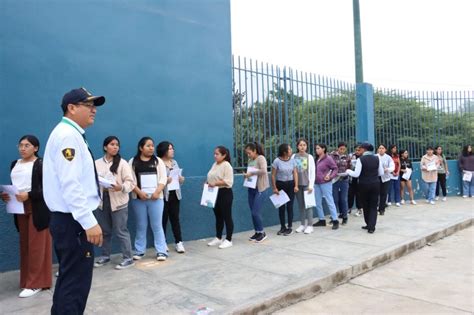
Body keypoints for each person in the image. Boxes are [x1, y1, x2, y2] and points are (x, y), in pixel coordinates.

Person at [43, 87, 105, 314]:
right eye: (88, 105)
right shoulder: (67, 136)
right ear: (71, 108)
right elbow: (71, 185)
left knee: (69, 280)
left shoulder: (71, 134)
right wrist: (88, 221)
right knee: (75, 285)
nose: (94, 110)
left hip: (70, 220)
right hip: (74, 222)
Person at [1, 135, 52, 298]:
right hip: (18, 207)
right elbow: (16, 187)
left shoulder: (42, 164)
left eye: (27, 145)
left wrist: (29, 195)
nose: (23, 148)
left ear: (36, 148)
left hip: (38, 208)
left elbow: (49, 189)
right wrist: (6, 195)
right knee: (25, 245)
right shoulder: (14, 164)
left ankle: (36, 283)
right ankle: (27, 281)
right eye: (20, 145)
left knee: (38, 245)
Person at [93, 136, 135, 269]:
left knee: (121, 230)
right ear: (105, 147)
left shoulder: (123, 163)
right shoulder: (96, 163)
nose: (115, 147)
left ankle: (128, 258)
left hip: (118, 201)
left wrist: (121, 187)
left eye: (117, 145)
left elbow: (131, 183)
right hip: (102, 201)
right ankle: (105, 256)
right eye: (112, 144)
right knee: (105, 231)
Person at [129, 137, 168, 261]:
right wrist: (139, 192)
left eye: (152, 146)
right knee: (141, 225)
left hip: (156, 199)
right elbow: (130, 180)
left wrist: (157, 192)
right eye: (148, 146)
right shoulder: (132, 162)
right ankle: (139, 251)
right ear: (141, 148)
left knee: (157, 225)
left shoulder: (158, 161)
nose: (151, 148)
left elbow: (163, 178)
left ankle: (161, 251)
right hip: (138, 199)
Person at [346, 143, 384, 234]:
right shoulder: (377, 158)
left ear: (364, 149)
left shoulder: (361, 159)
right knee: (373, 206)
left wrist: (348, 171)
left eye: (361, 149)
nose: (360, 150)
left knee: (366, 205)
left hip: (363, 185)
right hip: (375, 184)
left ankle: (368, 224)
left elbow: (356, 174)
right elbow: (381, 173)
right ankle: (371, 226)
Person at [157, 141, 186, 253]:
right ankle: (162, 243)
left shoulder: (174, 162)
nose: (172, 150)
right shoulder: (158, 163)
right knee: (162, 220)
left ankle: (179, 242)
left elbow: (178, 177)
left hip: (175, 194)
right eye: (170, 149)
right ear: (163, 150)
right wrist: (165, 181)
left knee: (175, 219)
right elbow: (156, 180)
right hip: (163, 195)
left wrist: (181, 179)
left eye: (172, 148)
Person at [206, 146, 235, 249]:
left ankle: (229, 239)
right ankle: (218, 238)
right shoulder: (215, 164)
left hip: (224, 193)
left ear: (224, 155)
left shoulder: (226, 165)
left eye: (217, 154)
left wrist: (215, 183)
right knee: (218, 216)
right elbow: (211, 177)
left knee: (227, 216)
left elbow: (229, 181)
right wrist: (207, 183)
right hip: (214, 193)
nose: (215, 156)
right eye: (214, 153)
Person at [243, 142, 270, 242]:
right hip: (251, 188)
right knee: (252, 212)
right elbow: (250, 172)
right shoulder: (251, 160)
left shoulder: (261, 158)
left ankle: (262, 233)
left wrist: (251, 173)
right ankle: (257, 232)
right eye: (247, 153)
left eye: (249, 153)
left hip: (260, 188)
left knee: (255, 212)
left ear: (255, 151)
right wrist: (246, 175)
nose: (248, 155)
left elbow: (263, 171)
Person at [271, 143, 298, 236]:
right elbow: (273, 175)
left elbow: (295, 173)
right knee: (281, 207)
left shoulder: (293, 161)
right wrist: (274, 187)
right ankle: (283, 227)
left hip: (290, 184)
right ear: (284, 152)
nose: (291, 151)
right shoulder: (276, 161)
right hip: (280, 185)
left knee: (290, 206)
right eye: (289, 149)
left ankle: (290, 227)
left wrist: (296, 185)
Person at [312, 143, 339, 230]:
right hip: (316, 183)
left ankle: (335, 220)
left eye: (318, 148)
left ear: (323, 149)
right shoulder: (316, 159)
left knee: (329, 201)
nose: (317, 150)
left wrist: (330, 176)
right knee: (317, 202)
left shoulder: (328, 158)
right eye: (316, 148)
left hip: (325, 183)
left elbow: (335, 168)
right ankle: (321, 219)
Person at [293, 139, 315, 234]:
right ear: (297, 146)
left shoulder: (309, 157)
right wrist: (295, 184)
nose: (302, 147)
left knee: (308, 206)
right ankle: (302, 224)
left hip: (307, 185)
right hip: (298, 185)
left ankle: (310, 225)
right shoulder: (294, 156)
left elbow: (313, 172)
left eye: (304, 145)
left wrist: (311, 185)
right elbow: (293, 171)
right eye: (300, 145)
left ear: (307, 146)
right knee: (301, 206)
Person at [330, 142, 351, 225]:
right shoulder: (332, 156)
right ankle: (334, 217)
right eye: (340, 148)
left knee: (343, 199)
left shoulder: (348, 157)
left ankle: (345, 216)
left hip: (344, 179)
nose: (342, 150)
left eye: (344, 149)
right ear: (338, 148)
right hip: (334, 180)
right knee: (334, 199)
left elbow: (350, 167)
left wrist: (347, 173)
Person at [376, 144, 395, 215]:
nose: (381, 149)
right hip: (376, 177)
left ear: (385, 150)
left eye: (382, 148)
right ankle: (375, 207)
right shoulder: (375, 156)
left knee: (383, 194)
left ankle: (382, 209)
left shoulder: (388, 157)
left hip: (386, 178)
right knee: (376, 193)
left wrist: (387, 169)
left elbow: (392, 167)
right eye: (380, 148)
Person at [348, 144, 363, 217]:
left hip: (360, 179)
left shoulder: (363, 157)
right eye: (356, 150)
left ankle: (359, 209)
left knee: (359, 195)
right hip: (351, 178)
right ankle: (349, 208)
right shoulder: (351, 156)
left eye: (359, 150)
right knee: (350, 194)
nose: (357, 151)